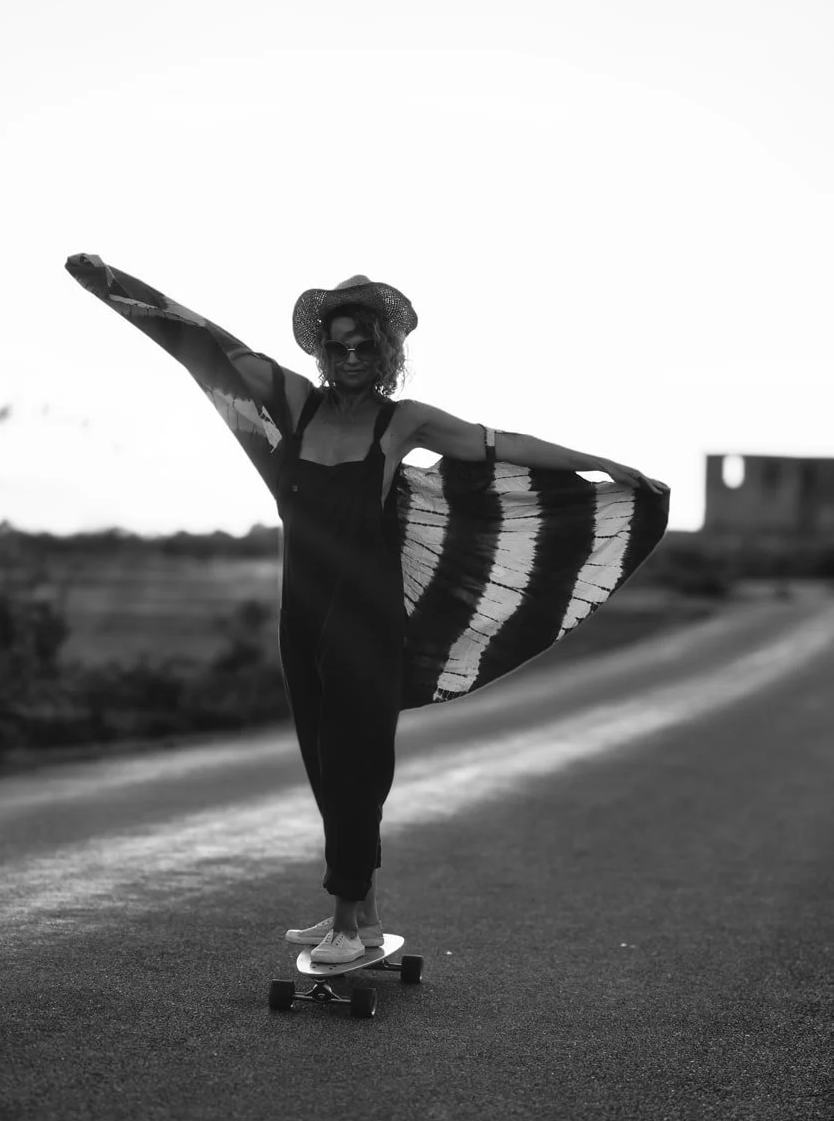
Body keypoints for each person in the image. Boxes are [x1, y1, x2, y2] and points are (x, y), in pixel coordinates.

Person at [65, 257, 669, 966]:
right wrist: (114, 288)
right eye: (339, 347)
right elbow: (204, 346)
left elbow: (502, 444)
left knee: (356, 763)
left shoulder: (402, 421)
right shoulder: (296, 403)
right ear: (323, 351)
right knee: (324, 764)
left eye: (364, 347)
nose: (351, 359)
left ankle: (346, 923)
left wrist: (603, 463)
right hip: (301, 609)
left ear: (385, 352)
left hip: (366, 613)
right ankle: (365, 916)